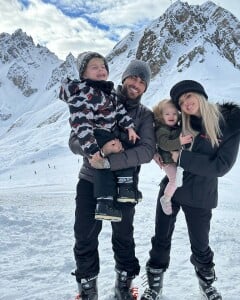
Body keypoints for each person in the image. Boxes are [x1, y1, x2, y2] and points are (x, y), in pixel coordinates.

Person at [141, 80, 240, 300]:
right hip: (171, 190)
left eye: (188, 96)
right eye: (181, 101)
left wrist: (182, 157)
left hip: (201, 194)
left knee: (201, 245)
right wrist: (157, 153)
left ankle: (207, 286)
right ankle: (154, 286)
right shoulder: (180, 122)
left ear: (200, 95)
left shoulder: (228, 124)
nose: (186, 103)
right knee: (160, 239)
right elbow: (160, 134)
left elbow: (221, 166)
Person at [68, 59, 156, 300]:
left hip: (125, 185)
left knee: (124, 235)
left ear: (145, 87)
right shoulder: (97, 97)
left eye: (142, 81)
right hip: (89, 179)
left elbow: (147, 150)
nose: (136, 84)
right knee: (84, 234)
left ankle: (124, 287)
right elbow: (74, 141)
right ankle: (87, 288)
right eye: (133, 78)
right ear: (124, 78)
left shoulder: (144, 116)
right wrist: (100, 149)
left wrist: (108, 161)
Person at [59, 51, 140, 223]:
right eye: (94, 67)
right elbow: (81, 125)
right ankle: (104, 203)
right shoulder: (81, 94)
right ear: (83, 74)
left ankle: (126, 188)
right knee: (102, 164)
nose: (101, 70)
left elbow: (120, 112)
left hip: (107, 134)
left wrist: (129, 127)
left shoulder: (108, 92)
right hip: (96, 135)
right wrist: (94, 151)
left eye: (103, 66)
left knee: (120, 148)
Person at [152, 99, 192, 215]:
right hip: (167, 161)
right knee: (174, 179)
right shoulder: (162, 129)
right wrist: (180, 141)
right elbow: (164, 145)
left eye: (174, 113)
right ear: (161, 116)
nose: (171, 116)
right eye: (167, 114)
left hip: (175, 160)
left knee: (179, 179)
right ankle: (166, 198)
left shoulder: (175, 128)